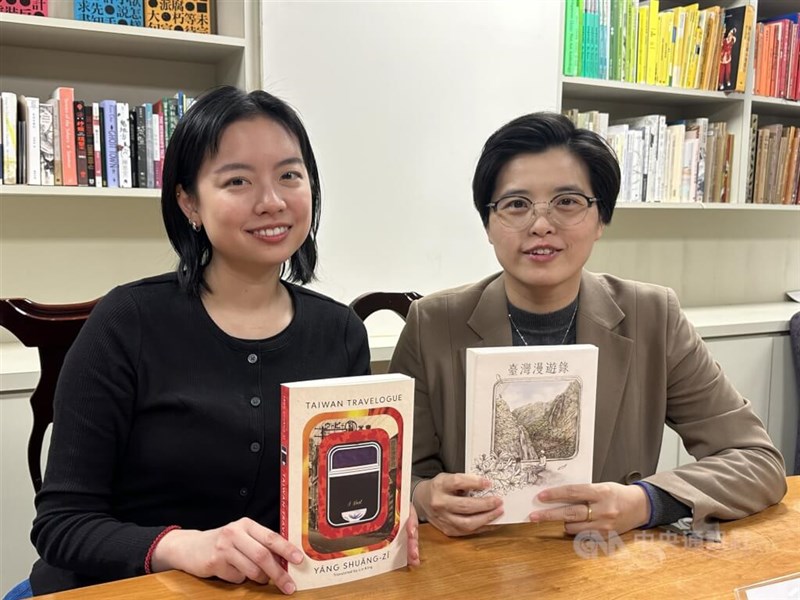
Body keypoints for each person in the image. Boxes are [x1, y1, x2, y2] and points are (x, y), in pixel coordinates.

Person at [14, 86, 419, 599]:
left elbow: (331, 495)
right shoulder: (126, 322)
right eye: (237, 181)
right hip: (122, 587)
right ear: (189, 202)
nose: (271, 201)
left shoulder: (339, 332)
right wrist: (185, 546)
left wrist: (383, 513)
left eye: (290, 176)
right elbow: (62, 525)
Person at [389, 111, 786, 539]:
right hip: (477, 562)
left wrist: (645, 502)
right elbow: (394, 475)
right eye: (516, 204)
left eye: (567, 202)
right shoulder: (433, 323)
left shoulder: (653, 316)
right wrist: (422, 495)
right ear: (488, 223)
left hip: (603, 560)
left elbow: (756, 460)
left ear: (601, 219)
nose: (541, 225)